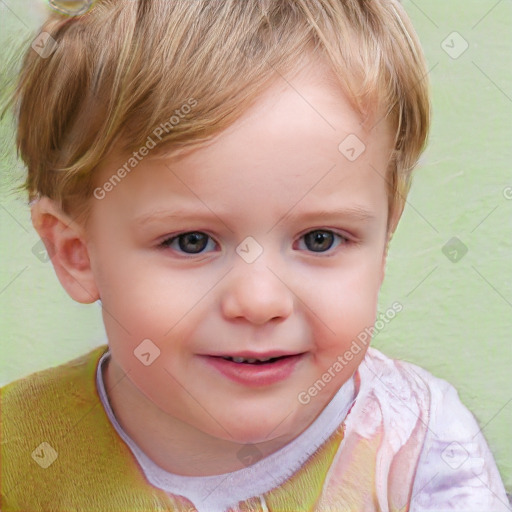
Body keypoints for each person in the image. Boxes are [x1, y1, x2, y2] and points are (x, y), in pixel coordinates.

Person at [1, 0, 509, 510]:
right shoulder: (19, 448)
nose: (261, 300)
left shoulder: (423, 449)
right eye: (192, 241)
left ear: (384, 240)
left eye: (320, 239)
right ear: (76, 254)